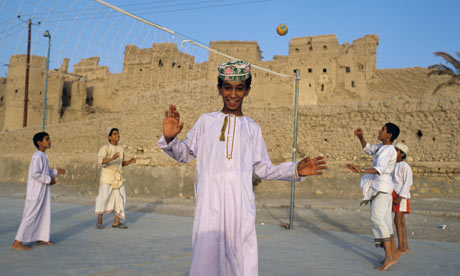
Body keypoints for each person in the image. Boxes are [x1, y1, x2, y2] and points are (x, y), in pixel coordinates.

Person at [157, 60, 327, 276]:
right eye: (227, 87)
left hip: (241, 209)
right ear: (219, 89)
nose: (233, 94)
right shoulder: (206, 122)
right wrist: (171, 138)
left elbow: (263, 168)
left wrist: (295, 170)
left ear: (247, 91)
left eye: (239, 88)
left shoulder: (252, 129)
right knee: (205, 264)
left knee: (242, 265)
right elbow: (183, 154)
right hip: (210, 209)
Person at [346, 123, 400, 271]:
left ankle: (389, 257)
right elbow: (369, 149)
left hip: (381, 189)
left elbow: (379, 169)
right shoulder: (382, 147)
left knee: (377, 219)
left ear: (389, 135)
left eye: (382, 129)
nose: (379, 131)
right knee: (385, 221)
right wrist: (360, 137)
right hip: (383, 188)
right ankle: (392, 253)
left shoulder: (388, 150)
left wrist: (360, 169)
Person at [11, 132, 66, 250]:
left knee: (42, 214)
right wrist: (49, 180)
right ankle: (17, 242)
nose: (50, 141)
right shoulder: (37, 156)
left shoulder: (43, 156)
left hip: (43, 192)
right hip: (35, 192)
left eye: (49, 139)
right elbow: (35, 174)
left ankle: (40, 237)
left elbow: (44, 172)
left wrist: (55, 171)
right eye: (47, 139)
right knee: (30, 215)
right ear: (39, 143)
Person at [95, 128, 136, 229]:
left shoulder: (121, 149)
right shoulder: (105, 148)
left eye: (118, 134)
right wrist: (111, 158)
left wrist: (130, 162)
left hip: (118, 178)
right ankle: (99, 221)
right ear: (109, 137)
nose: (117, 135)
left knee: (121, 198)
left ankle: (116, 222)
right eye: (114, 134)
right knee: (103, 198)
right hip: (107, 177)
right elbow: (101, 161)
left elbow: (121, 164)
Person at [392, 142, 413, 254]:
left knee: (397, 220)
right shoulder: (394, 164)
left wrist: (400, 197)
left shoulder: (405, 167)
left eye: (396, 151)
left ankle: (401, 246)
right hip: (395, 194)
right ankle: (404, 245)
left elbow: (407, 183)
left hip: (401, 196)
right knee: (401, 221)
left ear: (402, 154)